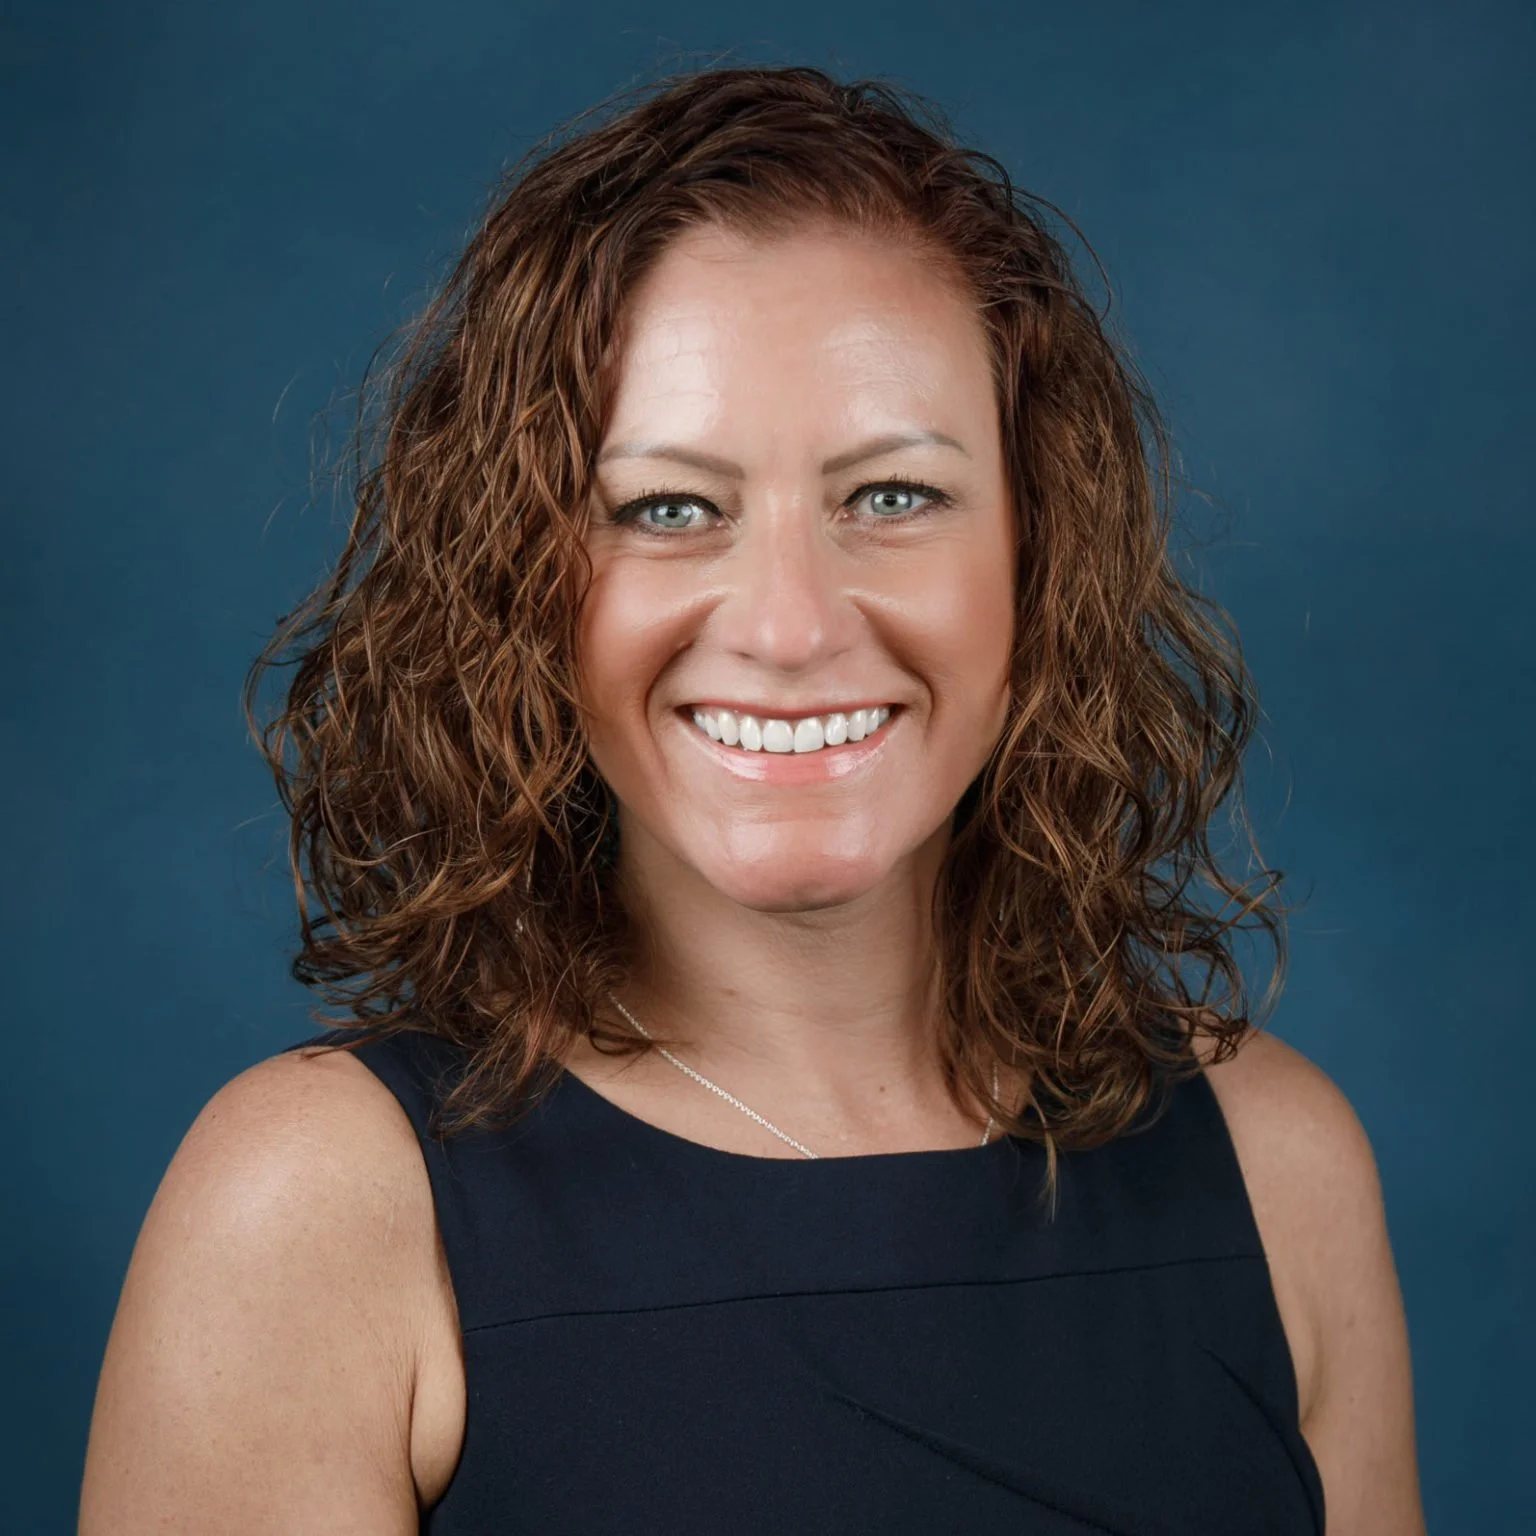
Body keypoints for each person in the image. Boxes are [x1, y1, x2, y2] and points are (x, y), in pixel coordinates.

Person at [80, 65, 1424, 1533]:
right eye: (668, 510)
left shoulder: (1278, 1164)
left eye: (893, 496)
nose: (789, 624)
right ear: (523, 579)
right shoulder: (316, 1210)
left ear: (1042, 554)